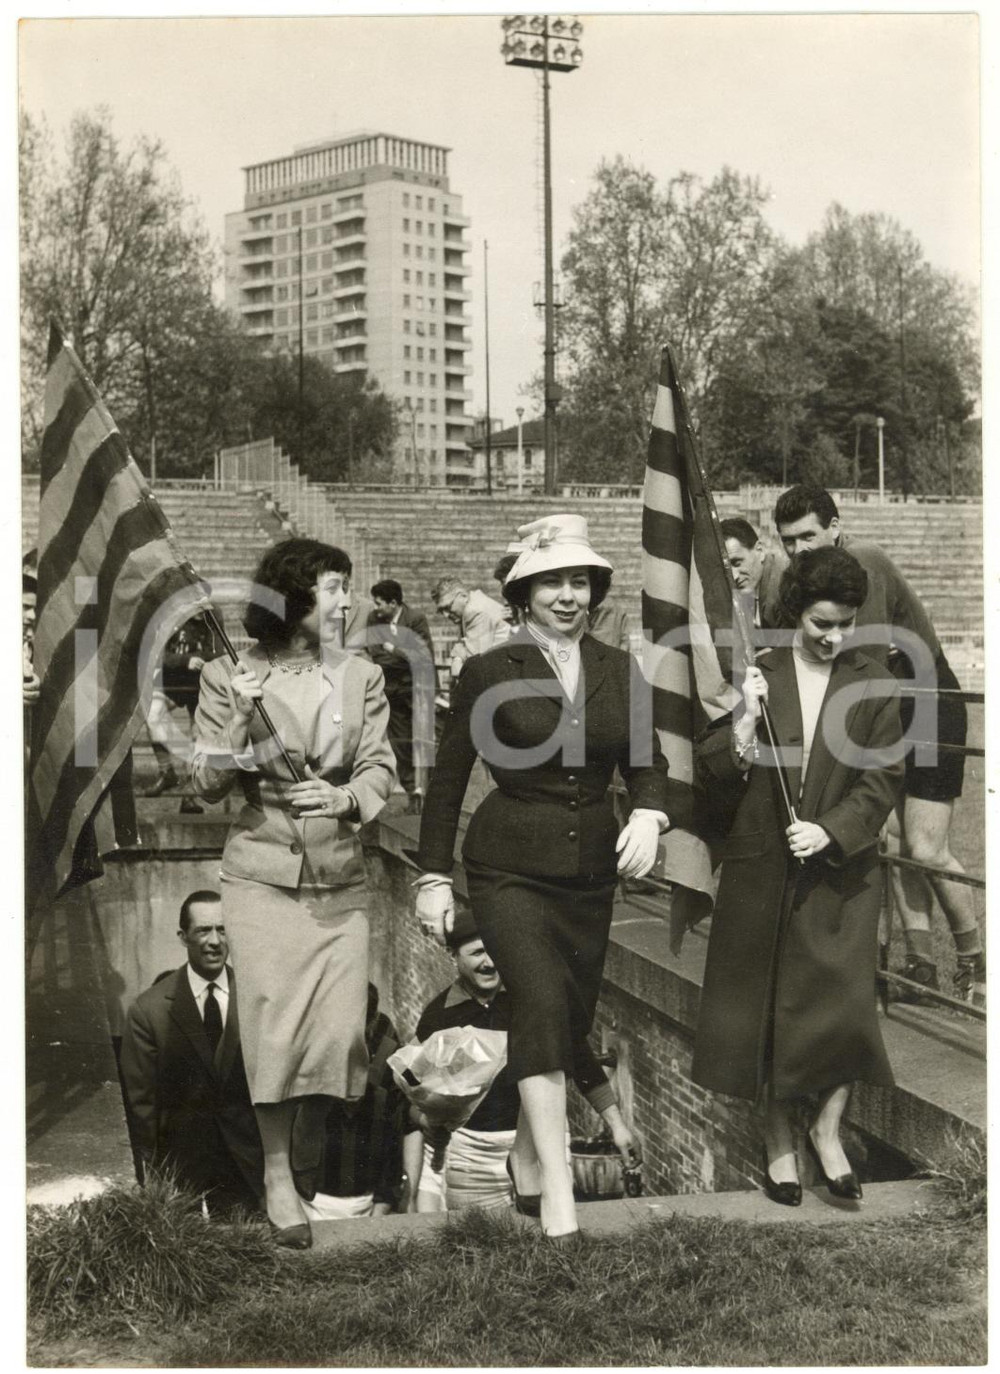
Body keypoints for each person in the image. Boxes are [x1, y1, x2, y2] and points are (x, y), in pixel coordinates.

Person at [414, 513, 672, 1240]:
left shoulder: (623, 670)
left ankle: (526, 1163)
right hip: (507, 869)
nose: (569, 594)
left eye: (580, 580)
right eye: (552, 580)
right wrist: (433, 877)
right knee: (535, 999)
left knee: (570, 1016)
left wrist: (649, 816)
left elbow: (649, 769)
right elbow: (446, 784)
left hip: (590, 871)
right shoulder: (488, 671)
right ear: (521, 591)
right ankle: (557, 1187)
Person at [192, 538, 397, 1248]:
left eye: (348, 589)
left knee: (339, 1039)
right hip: (261, 879)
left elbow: (379, 770)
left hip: (338, 878)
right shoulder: (228, 673)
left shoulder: (362, 675)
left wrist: (341, 798)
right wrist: (236, 724)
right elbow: (206, 782)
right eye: (335, 588)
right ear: (294, 597)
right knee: (274, 1034)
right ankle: (280, 1178)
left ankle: (299, 1161)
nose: (348, 603)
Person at [692, 547, 904, 1206]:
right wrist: (744, 724)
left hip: (841, 867)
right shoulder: (758, 673)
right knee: (765, 1005)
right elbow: (714, 778)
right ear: (795, 613)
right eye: (821, 624)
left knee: (847, 1005)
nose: (834, 637)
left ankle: (828, 1128)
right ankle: (778, 1138)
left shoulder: (876, 683)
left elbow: (882, 779)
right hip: (766, 864)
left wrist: (831, 829)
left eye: (844, 623)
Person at [769, 484, 983, 1007]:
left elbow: (862, 664)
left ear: (836, 528)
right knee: (890, 841)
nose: (799, 549)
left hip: (927, 697)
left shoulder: (864, 560)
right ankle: (922, 967)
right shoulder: (811, 581)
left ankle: (979, 962)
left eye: (809, 536)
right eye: (788, 540)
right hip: (886, 700)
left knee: (925, 845)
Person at [403, 908, 640, 1215]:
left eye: (494, 950)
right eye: (476, 953)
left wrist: (618, 1126)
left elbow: (582, 1061)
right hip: (472, 1155)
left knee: (549, 1233)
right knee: (482, 1244)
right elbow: (412, 1088)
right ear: (454, 957)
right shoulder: (439, 1015)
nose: (488, 962)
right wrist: (428, 1117)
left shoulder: (533, 1002)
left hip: (541, 1144)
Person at [119, 891, 264, 1216]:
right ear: (183, 937)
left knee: (244, 1256)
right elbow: (142, 1104)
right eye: (203, 931)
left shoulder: (258, 998)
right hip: (180, 1167)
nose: (214, 941)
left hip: (246, 1164)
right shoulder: (150, 1010)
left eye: (223, 929)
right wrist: (151, 1177)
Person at [302, 983, 408, 1221]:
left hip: (367, 1204)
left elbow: (397, 1127)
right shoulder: (305, 1040)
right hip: (308, 1202)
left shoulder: (386, 1044)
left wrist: (382, 1204)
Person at [367, 578, 436, 807]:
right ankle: (412, 792)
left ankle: (425, 788)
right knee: (400, 742)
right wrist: (403, 656)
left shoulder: (415, 619)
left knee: (422, 739)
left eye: (379, 603)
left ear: (393, 603)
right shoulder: (374, 620)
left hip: (418, 687)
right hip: (392, 690)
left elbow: (422, 657)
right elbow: (377, 654)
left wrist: (394, 650)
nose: (375, 608)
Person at [143, 614, 217, 812]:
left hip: (200, 687)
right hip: (173, 683)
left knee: (196, 739)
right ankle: (166, 772)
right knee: (152, 714)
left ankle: (188, 797)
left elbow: (220, 654)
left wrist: (201, 659)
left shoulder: (213, 620)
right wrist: (186, 660)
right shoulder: (172, 619)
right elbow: (158, 655)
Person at [431, 575, 510, 682]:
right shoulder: (472, 605)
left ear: (463, 596)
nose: (446, 615)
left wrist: (457, 657)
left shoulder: (474, 611)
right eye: (441, 611)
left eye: (447, 607)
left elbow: (472, 669)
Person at [720, 517, 785, 629]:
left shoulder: (782, 586)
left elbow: (790, 644)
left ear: (759, 550)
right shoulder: (754, 581)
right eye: (727, 569)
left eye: (737, 563)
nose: (734, 576)